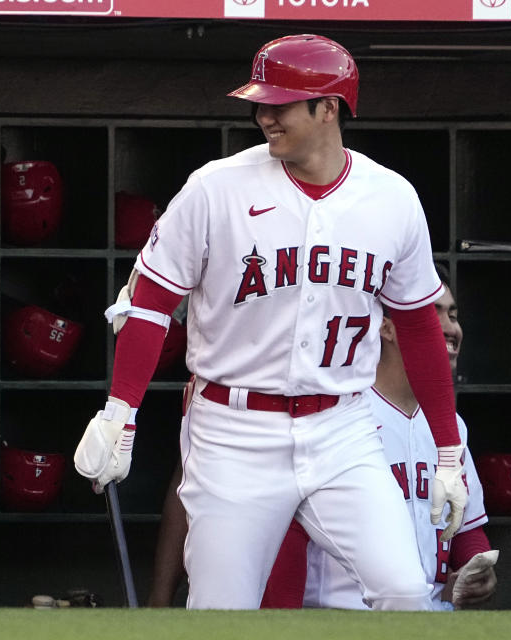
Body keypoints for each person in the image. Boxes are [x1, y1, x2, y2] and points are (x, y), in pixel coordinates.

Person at [74, 34, 467, 610]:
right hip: (234, 431)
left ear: (328, 107)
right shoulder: (216, 188)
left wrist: (449, 452)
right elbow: (150, 302)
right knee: (219, 608)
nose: (263, 115)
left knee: (405, 590)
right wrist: (119, 412)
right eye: (259, 102)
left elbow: (417, 325)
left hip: (343, 428)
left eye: (280, 103)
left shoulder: (393, 199)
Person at [262, 268, 497, 610]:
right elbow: (287, 538)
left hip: (427, 616)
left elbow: (464, 530)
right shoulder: (336, 414)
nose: (451, 327)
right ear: (386, 328)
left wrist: (477, 569)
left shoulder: (452, 427)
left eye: (454, 315)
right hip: (340, 616)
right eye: (434, 313)